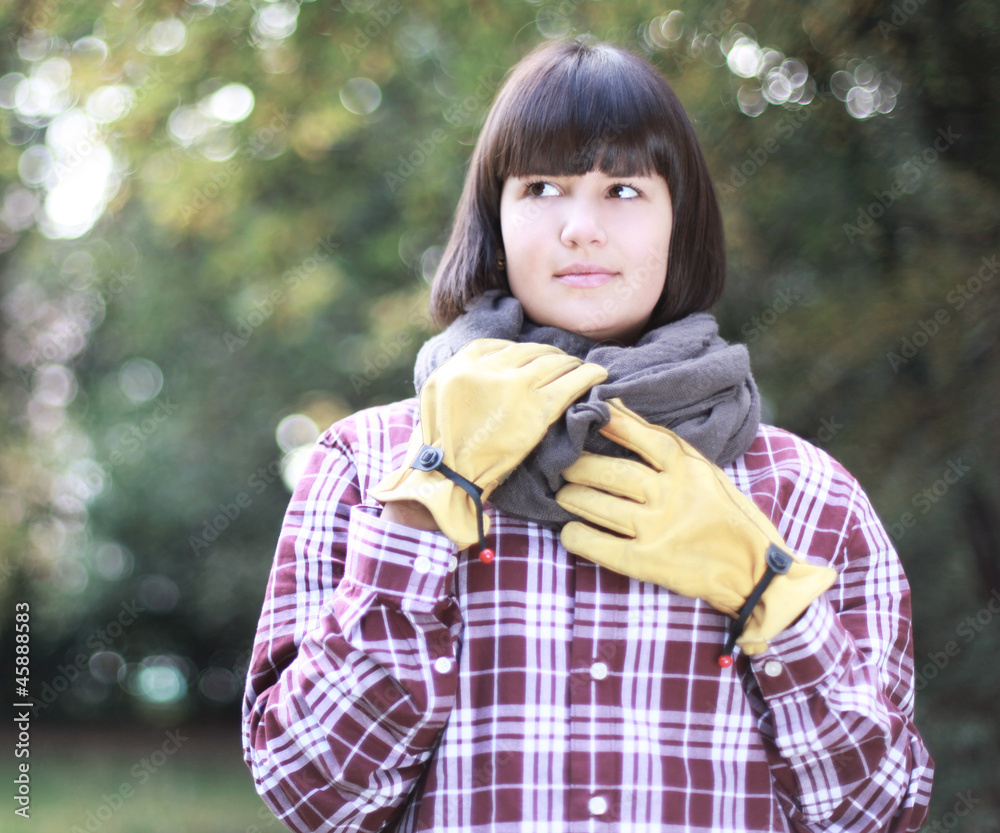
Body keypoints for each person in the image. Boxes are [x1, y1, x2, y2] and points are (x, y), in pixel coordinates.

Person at [242, 37, 934, 832]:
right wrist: (425, 500)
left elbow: (877, 812)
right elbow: (312, 795)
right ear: (496, 219)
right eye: (542, 187)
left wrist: (772, 595)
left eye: (624, 189)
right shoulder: (365, 466)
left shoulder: (809, 493)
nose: (580, 228)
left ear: (681, 222)